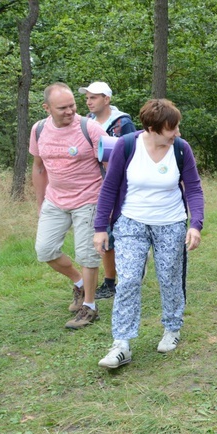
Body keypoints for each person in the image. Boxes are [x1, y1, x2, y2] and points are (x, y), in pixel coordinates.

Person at [93, 99, 204, 369]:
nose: (176, 133)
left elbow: (193, 188)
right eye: (171, 129)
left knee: (169, 276)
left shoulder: (181, 148)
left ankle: (172, 328)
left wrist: (195, 224)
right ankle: (121, 344)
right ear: (152, 129)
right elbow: (109, 188)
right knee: (128, 279)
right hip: (131, 222)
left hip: (171, 222)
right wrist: (100, 228)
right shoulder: (127, 145)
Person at [30, 82, 106, 329]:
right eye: (62, 107)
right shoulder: (39, 130)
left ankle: (90, 307)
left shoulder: (90, 128)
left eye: (72, 105)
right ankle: (80, 284)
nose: (70, 111)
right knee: (45, 250)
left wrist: (109, 204)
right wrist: (41, 202)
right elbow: (39, 167)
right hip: (55, 199)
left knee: (87, 254)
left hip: (89, 198)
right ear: (47, 108)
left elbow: (111, 166)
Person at [79, 81, 137, 301]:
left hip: (121, 184)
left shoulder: (122, 123)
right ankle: (110, 281)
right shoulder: (87, 122)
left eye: (94, 97)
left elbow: (133, 151)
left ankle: (130, 273)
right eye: (87, 98)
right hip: (96, 184)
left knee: (122, 231)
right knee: (104, 232)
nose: (89, 101)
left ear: (107, 99)